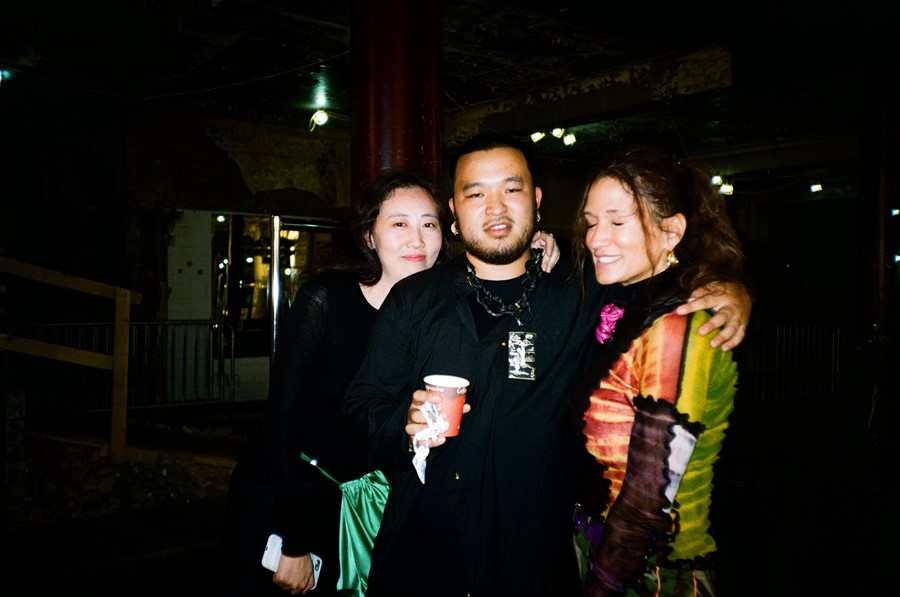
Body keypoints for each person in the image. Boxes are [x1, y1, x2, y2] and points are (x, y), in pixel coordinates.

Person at [342, 132, 752, 596]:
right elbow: (360, 408)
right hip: (426, 557)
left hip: (535, 561)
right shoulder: (413, 301)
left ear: (536, 201)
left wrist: (725, 287)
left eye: (511, 190)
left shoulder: (584, 291)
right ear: (454, 213)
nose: (495, 208)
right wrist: (404, 424)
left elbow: (654, 276)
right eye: (476, 194)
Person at [218, 168, 560, 596]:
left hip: (370, 497)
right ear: (369, 236)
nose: (417, 240)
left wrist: (533, 248)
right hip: (294, 493)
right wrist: (294, 541)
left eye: (429, 224)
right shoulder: (327, 300)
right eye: (399, 224)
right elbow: (281, 423)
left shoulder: (440, 308)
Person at [570, 146, 744, 596]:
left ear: (672, 231)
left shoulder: (679, 325)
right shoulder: (619, 301)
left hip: (653, 571)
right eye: (591, 222)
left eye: (617, 221)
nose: (595, 238)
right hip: (599, 545)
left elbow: (649, 499)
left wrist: (602, 586)